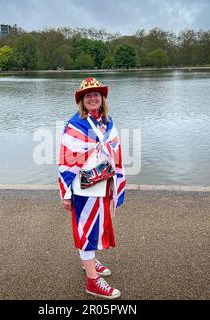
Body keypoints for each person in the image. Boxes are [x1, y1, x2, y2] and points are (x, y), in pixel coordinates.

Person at [58, 77, 126, 299]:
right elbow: (66, 162)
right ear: (82, 100)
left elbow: (114, 149)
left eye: (96, 94)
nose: (93, 98)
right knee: (87, 233)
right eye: (88, 95)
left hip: (103, 183)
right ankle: (92, 282)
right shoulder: (75, 124)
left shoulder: (107, 122)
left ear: (102, 98)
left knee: (92, 230)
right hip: (84, 188)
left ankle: (90, 262)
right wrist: (66, 194)